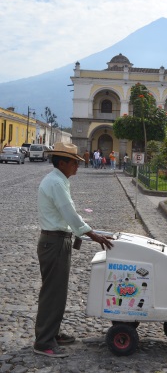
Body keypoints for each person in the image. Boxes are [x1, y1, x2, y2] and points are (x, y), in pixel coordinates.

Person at [34, 142, 114, 358]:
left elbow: (68, 216)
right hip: (55, 242)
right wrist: (93, 235)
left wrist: (85, 232)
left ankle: (52, 332)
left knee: (57, 292)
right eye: (74, 162)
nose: (78, 166)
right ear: (62, 162)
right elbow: (69, 214)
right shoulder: (56, 183)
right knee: (53, 293)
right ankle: (43, 342)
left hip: (57, 240)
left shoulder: (59, 180)